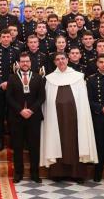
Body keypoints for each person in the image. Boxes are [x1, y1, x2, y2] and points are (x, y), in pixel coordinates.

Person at [40, 52, 97, 181]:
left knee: (76, 141)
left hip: (75, 117)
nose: (61, 61)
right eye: (58, 59)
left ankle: (77, 174)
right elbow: (47, 101)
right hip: (56, 117)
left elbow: (83, 101)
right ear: (54, 62)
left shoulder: (78, 77)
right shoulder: (49, 79)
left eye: (63, 59)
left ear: (67, 60)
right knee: (56, 140)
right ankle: (58, 173)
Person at [6, 52, 45, 183]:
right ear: (18, 63)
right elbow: (9, 97)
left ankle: (35, 173)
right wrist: (20, 110)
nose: (25, 64)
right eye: (22, 61)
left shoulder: (38, 77)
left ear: (30, 62)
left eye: (27, 61)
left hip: (34, 117)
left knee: (34, 146)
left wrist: (31, 110)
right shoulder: (12, 78)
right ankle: (18, 173)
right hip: (17, 117)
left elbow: (41, 97)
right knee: (17, 146)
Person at [0, 30, 20, 151]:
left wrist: (10, 83)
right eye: (4, 37)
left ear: (11, 38)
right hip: (0, 87)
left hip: (13, 88)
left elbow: (19, 69)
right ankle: (0, 141)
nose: (6, 39)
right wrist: (0, 83)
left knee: (13, 115)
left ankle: (13, 140)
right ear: (0, 39)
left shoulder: (16, 51)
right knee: (0, 115)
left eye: (8, 37)